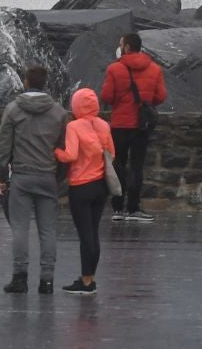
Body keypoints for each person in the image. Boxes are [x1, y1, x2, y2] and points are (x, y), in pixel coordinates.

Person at [0, 65, 68, 295]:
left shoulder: (13, 110)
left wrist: (2, 176)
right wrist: (59, 177)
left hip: (22, 177)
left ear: (26, 82)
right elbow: (63, 148)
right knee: (47, 230)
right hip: (47, 176)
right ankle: (47, 280)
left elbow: (3, 148)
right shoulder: (58, 113)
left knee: (20, 229)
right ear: (45, 83)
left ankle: (20, 277)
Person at [53, 87, 115, 296]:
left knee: (85, 234)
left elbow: (69, 155)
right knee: (94, 232)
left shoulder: (74, 126)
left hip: (81, 186)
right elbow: (111, 153)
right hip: (100, 185)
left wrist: (55, 150)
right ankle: (90, 277)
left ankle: (86, 281)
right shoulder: (104, 125)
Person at [100, 32, 166, 222]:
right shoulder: (154, 69)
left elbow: (106, 97)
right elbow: (160, 96)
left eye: (121, 44)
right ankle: (134, 207)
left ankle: (118, 208)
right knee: (137, 165)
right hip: (141, 125)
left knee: (118, 164)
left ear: (127, 47)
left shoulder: (114, 69)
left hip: (120, 124)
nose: (120, 47)